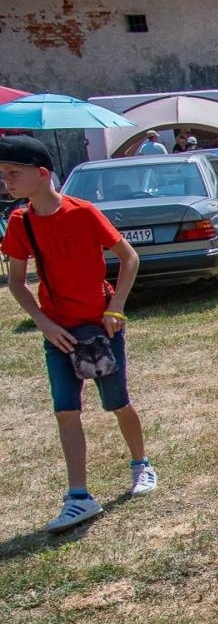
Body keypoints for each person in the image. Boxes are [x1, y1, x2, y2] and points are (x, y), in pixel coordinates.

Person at [0, 135, 156, 532]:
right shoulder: (20, 222)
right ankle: (79, 497)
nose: (7, 182)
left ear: (42, 174)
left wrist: (116, 307)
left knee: (117, 403)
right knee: (65, 411)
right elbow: (17, 282)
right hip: (58, 333)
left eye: (13, 174)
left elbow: (128, 257)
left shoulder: (83, 212)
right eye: (3, 175)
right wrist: (44, 324)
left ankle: (141, 464)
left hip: (99, 328)